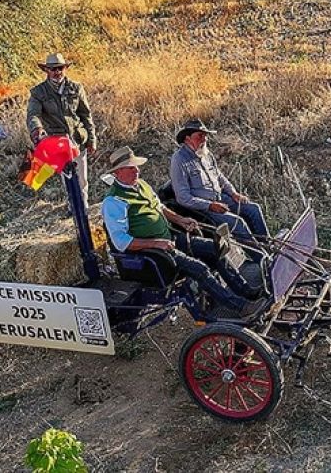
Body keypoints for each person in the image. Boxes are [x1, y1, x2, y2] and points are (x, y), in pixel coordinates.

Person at [101, 146, 265, 317]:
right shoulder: (114, 202)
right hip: (153, 254)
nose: (137, 170)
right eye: (131, 167)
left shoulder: (141, 185)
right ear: (118, 172)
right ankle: (241, 307)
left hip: (169, 239)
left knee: (216, 248)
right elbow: (122, 242)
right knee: (199, 268)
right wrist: (156, 243)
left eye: (136, 166)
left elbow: (160, 207)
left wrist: (181, 220)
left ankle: (247, 291)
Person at [170, 119, 270, 249]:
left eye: (205, 135)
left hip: (220, 198)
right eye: (200, 136)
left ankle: (267, 246)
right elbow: (183, 197)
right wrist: (210, 205)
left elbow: (220, 177)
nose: (204, 139)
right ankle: (259, 256)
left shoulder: (206, 154)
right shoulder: (179, 160)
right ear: (187, 138)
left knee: (253, 209)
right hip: (203, 208)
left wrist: (233, 193)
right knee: (237, 222)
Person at [26, 53, 96, 205]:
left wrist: (92, 139)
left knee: (82, 179)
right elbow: (33, 115)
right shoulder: (38, 92)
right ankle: (73, 206)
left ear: (65, 68)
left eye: (60, 68)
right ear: (47, 71)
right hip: (58, 143)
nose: (57, 72)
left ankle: (82, 208)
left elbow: (85, 114)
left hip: (78, 139)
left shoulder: (76, 88)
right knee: (68, 178)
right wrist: (37, 129)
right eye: (53, 69)